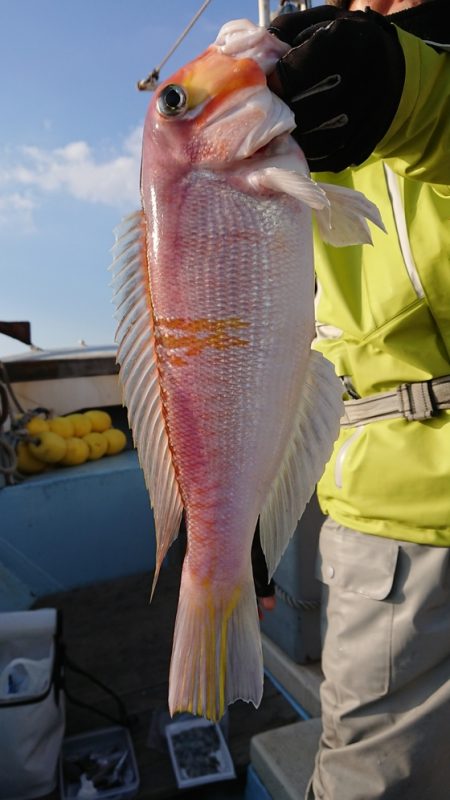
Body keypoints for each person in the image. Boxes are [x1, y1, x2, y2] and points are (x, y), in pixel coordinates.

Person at [253, 1, 450, 798]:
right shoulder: (305, 82)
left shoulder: (380, 65)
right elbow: (261, 340)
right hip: (384, 536)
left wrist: (424, 96)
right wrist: (248, 523)